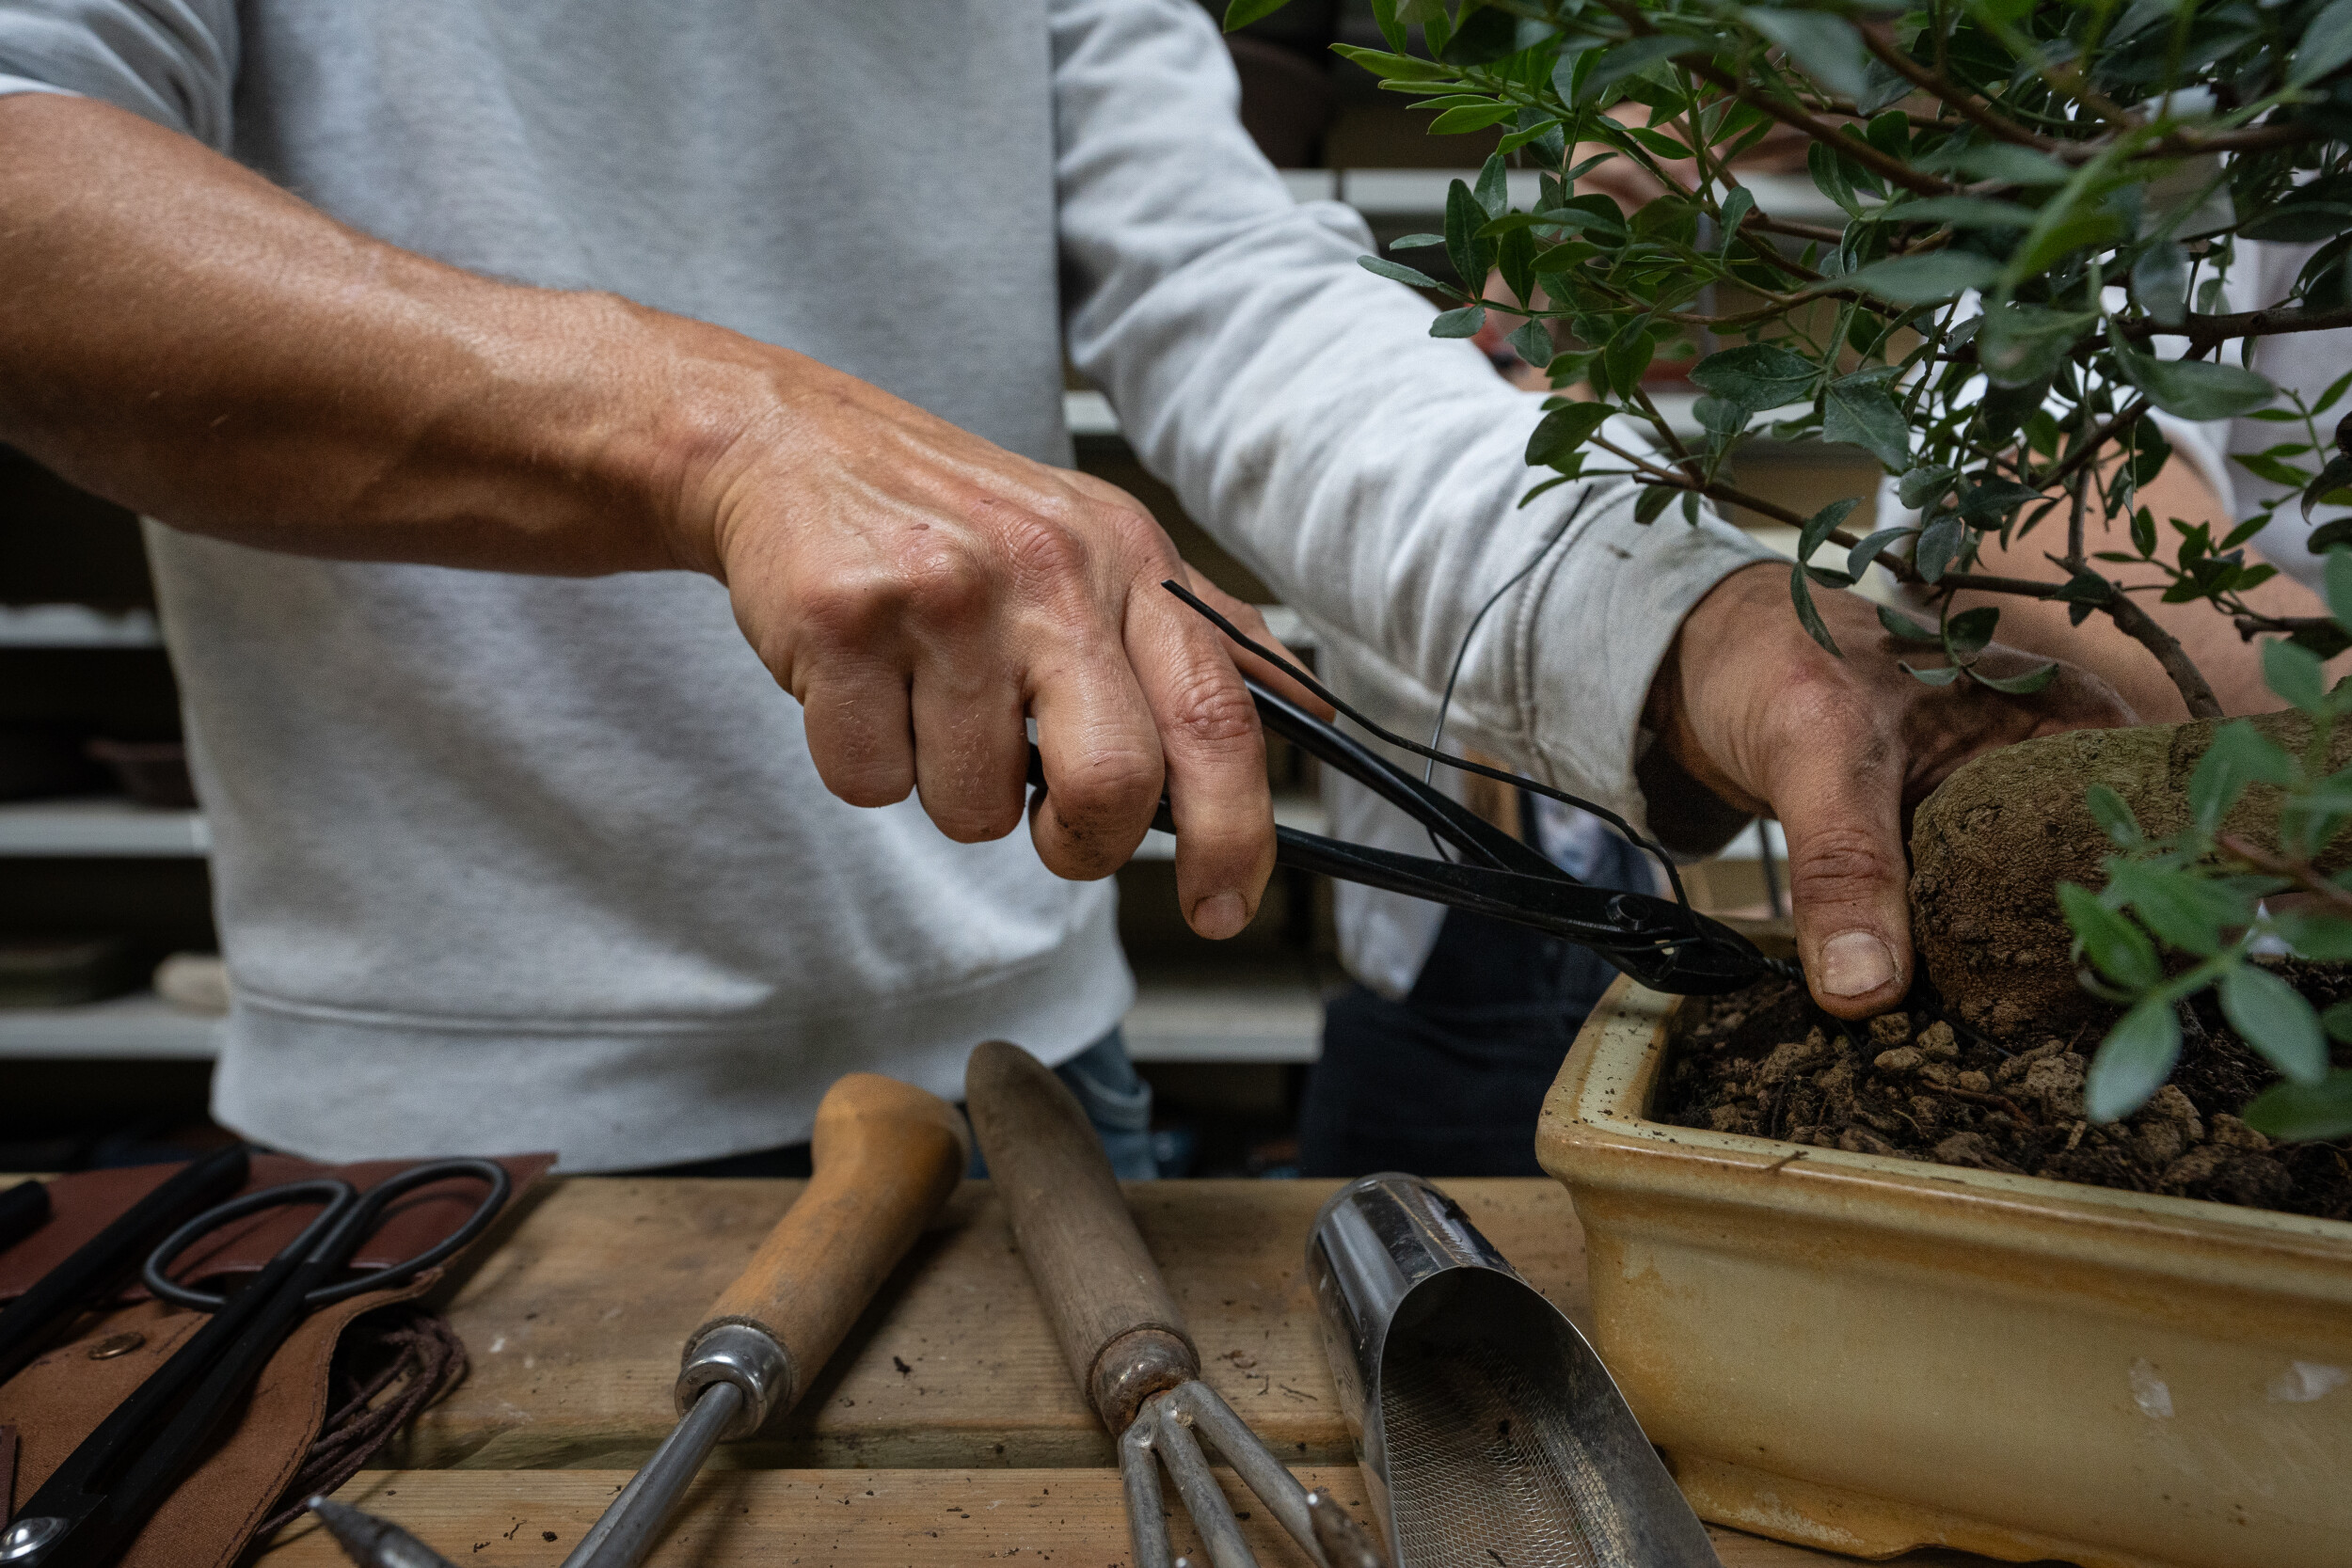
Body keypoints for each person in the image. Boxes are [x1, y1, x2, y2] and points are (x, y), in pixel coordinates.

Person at [0, 0, 2130, 1174]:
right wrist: (714, 432)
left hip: (1028, 1097)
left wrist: (1695, 619)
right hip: (429, 1135)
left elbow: (1232, 299)